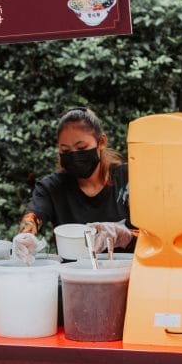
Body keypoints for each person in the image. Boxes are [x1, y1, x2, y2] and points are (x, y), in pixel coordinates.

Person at [13, 106, 134, 263]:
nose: (74, 156)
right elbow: (34, 215)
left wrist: (125, 235)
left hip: (130, 274)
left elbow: (158, 236)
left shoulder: (129, 179)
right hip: (73, 275)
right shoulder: (52, 188)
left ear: (101, 142)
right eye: (65, 150)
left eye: (82, 148)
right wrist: (25, 236)